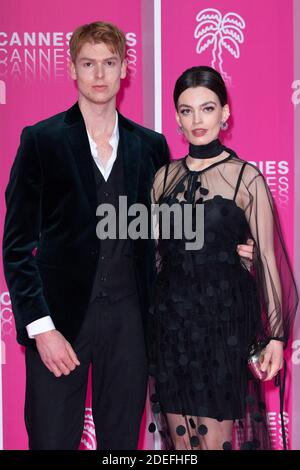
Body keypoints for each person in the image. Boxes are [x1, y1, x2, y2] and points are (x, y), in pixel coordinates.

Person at [2, 22, 253, 450]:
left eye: (108, 63)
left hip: (130, 325)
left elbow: (168, 232)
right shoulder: (41, 141)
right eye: (88, 64)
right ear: (72, 70)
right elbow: (16, 248)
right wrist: (42, 329)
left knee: (121, 448)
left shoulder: (150, 147)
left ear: (123, 70)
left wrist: (229, 251)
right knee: (49, 441)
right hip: (59, 326)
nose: (99, 75)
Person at [148, 66, 298, 451]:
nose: (197, 120)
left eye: (207, 108)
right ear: (177, 117)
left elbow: (267, 256)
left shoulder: (246, 178)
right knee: (182, 446)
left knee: (215, 443)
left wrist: (278, 337)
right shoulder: (162, 179)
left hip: (223, 326)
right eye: (186, 110)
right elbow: (155, 257)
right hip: (172, 329)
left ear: (225, 113)